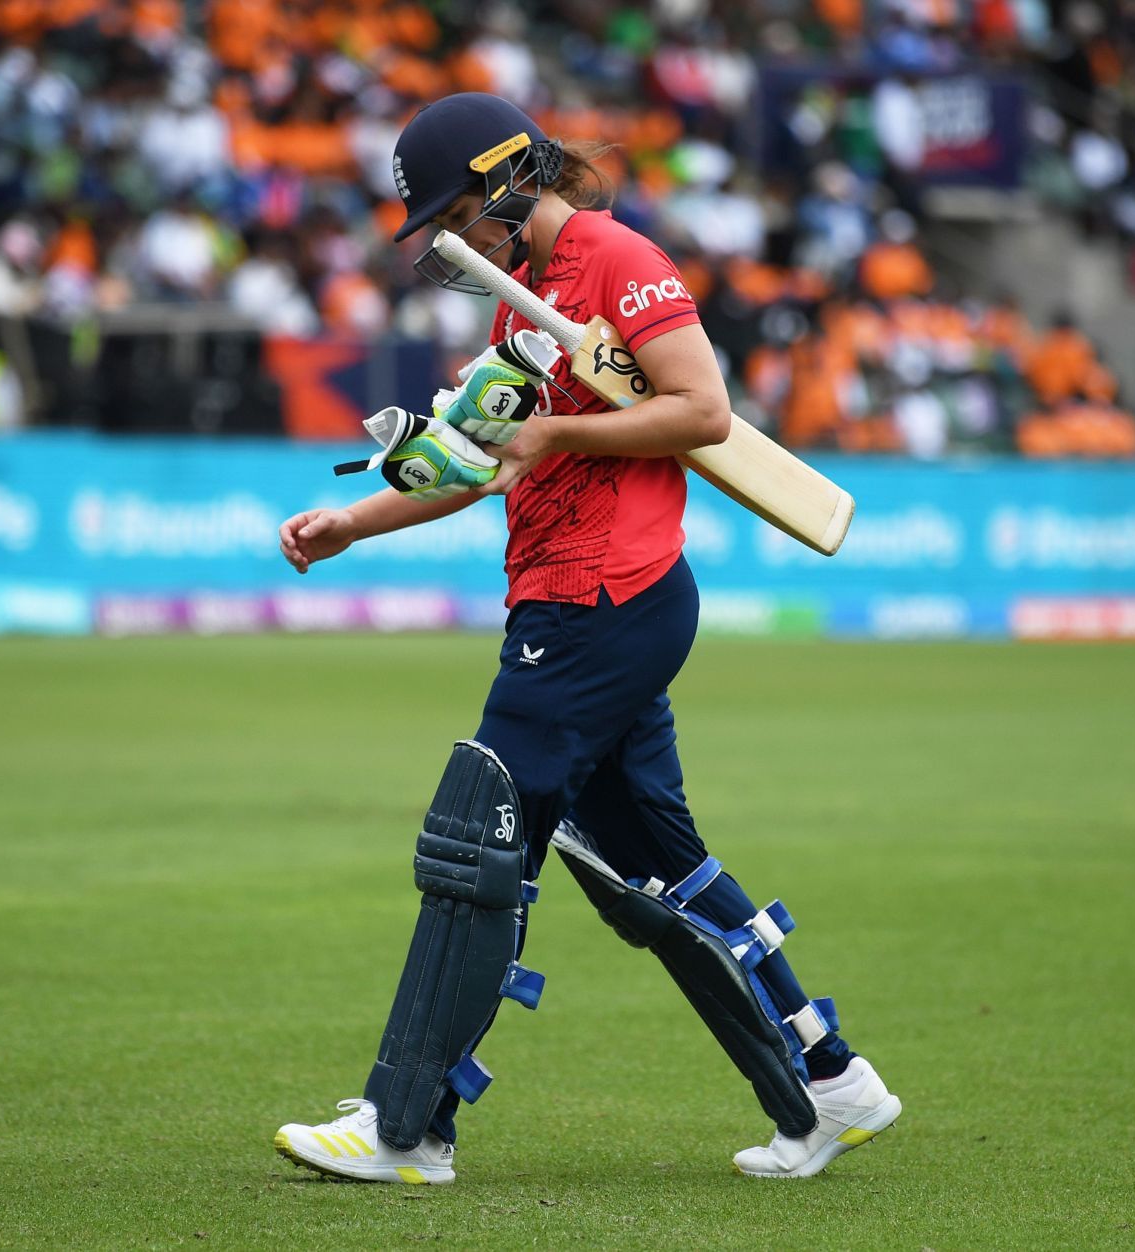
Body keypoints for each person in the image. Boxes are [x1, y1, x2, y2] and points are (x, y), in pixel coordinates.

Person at [271, 93, 901, 1187]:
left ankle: (405, 1124)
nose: (454, 242)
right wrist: (351, 523)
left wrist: (558, 426)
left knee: (481, 835)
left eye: (460, 213)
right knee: (655, 867)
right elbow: (478, 463)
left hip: (606, 598)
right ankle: (829, 1083)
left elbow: (705, 411)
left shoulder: (615, 256)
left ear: (511, 179)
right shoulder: (527, 301)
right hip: (569, 598)